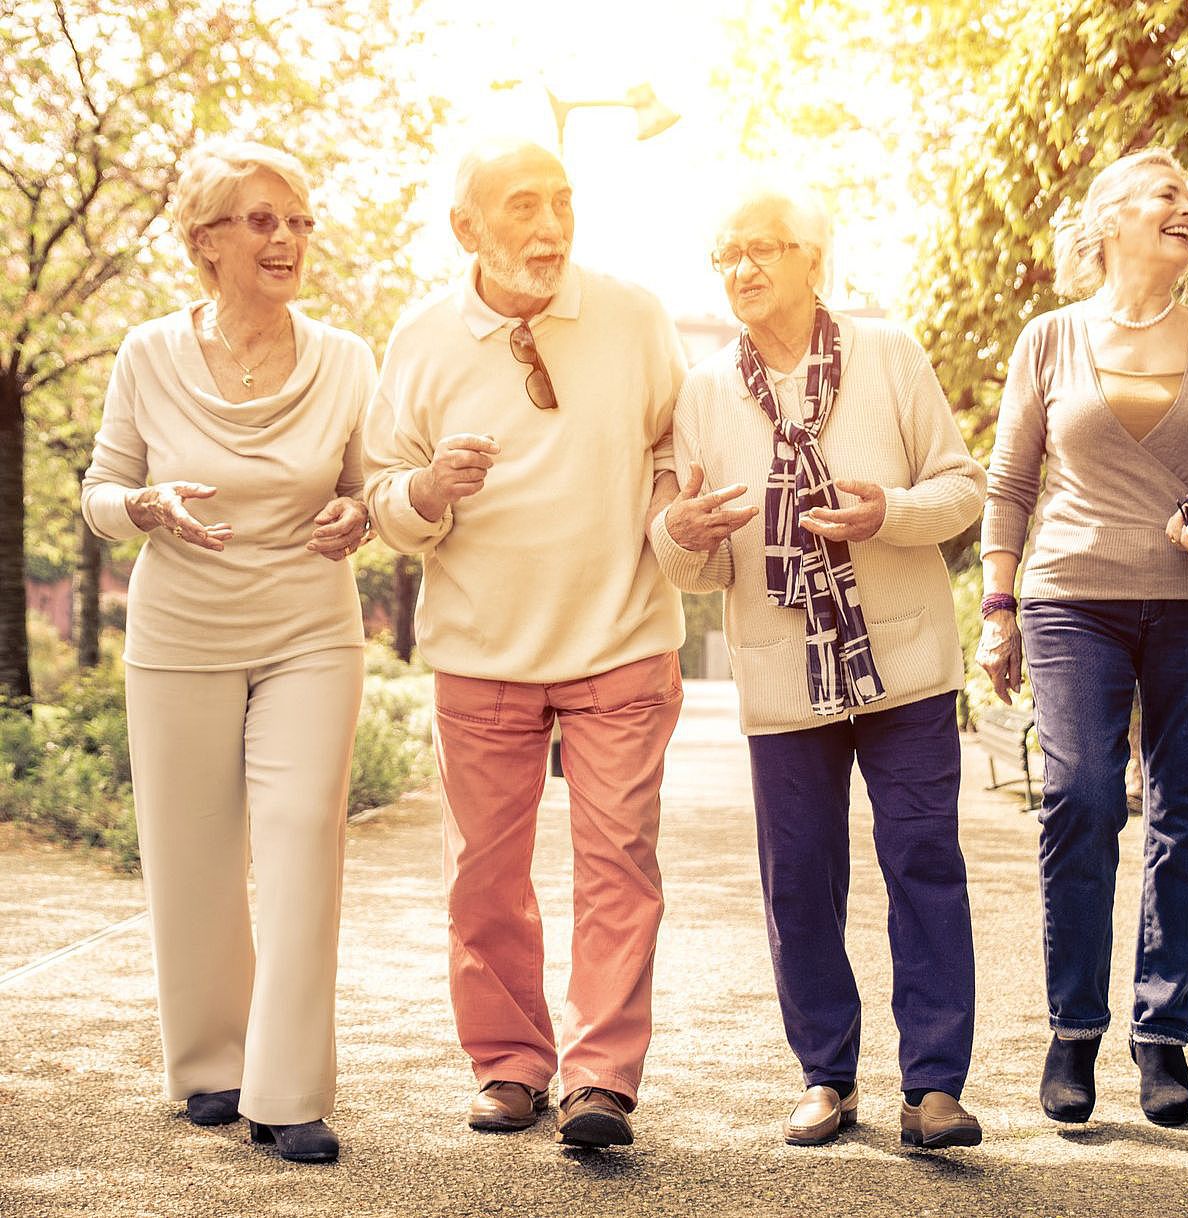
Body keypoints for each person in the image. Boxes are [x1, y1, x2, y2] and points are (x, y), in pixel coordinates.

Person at [362, 137, 687, 1151]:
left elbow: (678, 441)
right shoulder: (418, 340)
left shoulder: (633, 315)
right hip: (481, 649)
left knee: (618, 865)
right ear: (466, 227)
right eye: (520, 208)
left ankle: (600, 1078)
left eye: (561, 202)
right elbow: (379, 488)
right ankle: (508, 1063)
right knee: (483, 878)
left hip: (621, 636)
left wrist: (679, 517)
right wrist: (425, 492)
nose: (548, 228)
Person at [650, 188, 987, 1151]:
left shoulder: (889, 354)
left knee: (924, 861)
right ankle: (825, 1077)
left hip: (905, 660)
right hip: (782, 670)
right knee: (798, 878)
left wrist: (892, 514)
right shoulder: (705, 392)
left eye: (761, 249)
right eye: (726, 254)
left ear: (812, 258)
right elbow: (700, 560)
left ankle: (933, 1087)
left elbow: (960, 485)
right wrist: (680, 535)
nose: (742, 269)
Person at [977, 148, 1188, 1127]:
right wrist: (996, 607)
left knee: (1187, 815)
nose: (1186, 208)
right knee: (1077, 796)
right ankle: (1073, 1032)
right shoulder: (1049, 338)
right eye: (1165, 196)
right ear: (1108, 222)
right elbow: (1010, 482)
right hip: (1071, 596)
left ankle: (1162, 1036)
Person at [81, 141, 375, 1164]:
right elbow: (100, 493)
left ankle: (287, 1091)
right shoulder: (146, 354)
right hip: (179, 636)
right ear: (206, 242)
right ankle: (210, 1065)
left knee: (302, 838)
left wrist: (357, 514)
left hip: (307, 629)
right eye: (261, 221)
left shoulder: (345, 357)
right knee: (192, 852)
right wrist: (143, 506)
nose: (287, 239)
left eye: (297, 221)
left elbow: (366, 487)